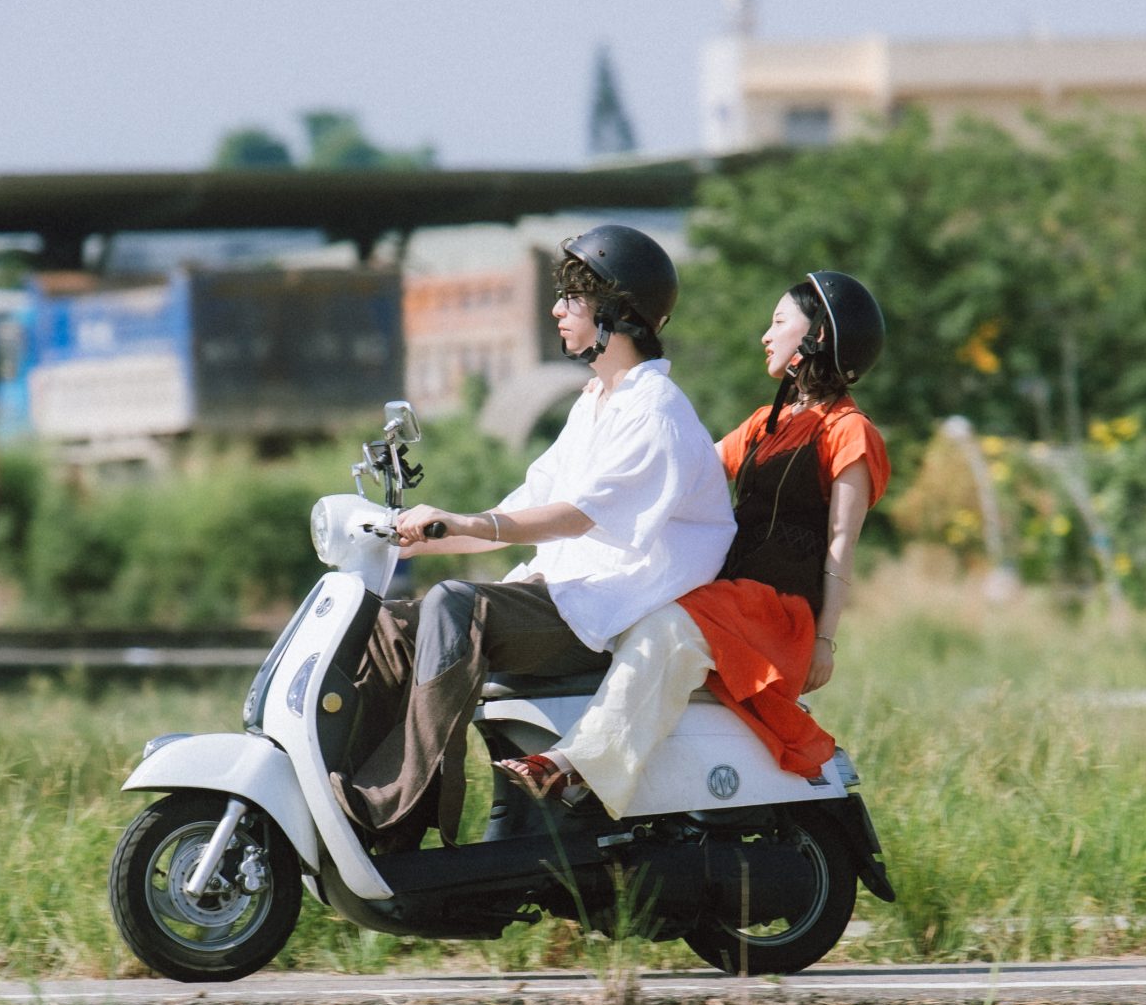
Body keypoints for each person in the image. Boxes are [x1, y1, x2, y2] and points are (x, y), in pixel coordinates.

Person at [336, 225, 735, 846]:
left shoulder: (655, 412)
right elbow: (521, 510)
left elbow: (576, 515)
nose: (556, 310)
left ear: (617, 313)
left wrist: (469, 524)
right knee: (387, 623)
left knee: (452, 605)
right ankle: (349, 795)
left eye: (573, 298)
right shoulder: (595, 404)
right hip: (564, 599)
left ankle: (401, 814)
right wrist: (417, 535)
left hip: (605, 615)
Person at [498, 270, 889, 814]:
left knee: (666, 627)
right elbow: (685, 465)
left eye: (779, 322)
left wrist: (825, 642)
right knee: (629, 608)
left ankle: (575, 765)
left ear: (817, 336)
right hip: (730, 600)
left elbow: (842, 542)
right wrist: (611, 400)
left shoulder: (850, 431)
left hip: (781, 613)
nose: (766, 336)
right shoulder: (765, 423)